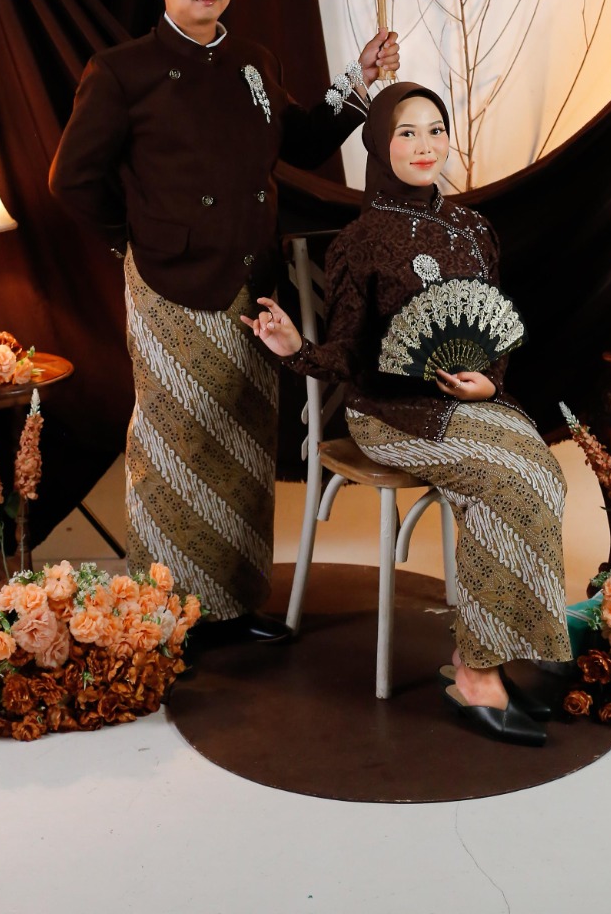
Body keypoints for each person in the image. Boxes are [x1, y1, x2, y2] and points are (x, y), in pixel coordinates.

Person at [49, 0, 399, 644]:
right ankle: (166, 611)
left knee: (243, 440)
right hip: (170, 282)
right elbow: (71, 179)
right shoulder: (121, 71)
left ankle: (237, 602)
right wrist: (133, 240)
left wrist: (359, 80)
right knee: (177, 446)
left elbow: (298, 140)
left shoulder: (253, 60)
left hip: (252, 278)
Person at [243, 81, 571, 742]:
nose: (425, 145)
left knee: (542, 471)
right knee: (502, 478)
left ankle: (501, 652)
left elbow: (495, 337)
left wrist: (488, 384)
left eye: (435, 130)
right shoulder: (361, 240)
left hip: (468, 406)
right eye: (407, 132)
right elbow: (345, 355)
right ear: (379, 145)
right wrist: (295, 348)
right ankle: (478, 674)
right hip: (391, 415)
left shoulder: (475, 229)